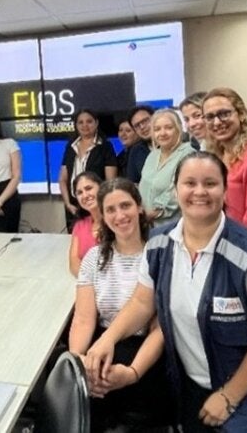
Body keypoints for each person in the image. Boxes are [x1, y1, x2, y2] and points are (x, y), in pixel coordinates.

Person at [86, 152, 247, 432]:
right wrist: (108, 338)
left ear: (224, 190)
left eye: (210, 183)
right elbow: (142, 302)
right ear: (176, 189)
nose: (199, 191)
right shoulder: (158, 243)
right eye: (190, 183)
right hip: (195, 382)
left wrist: (230, 395)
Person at [68, 177, 168, 431]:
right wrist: (80, 363)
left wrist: (132, 373)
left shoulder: (159, 256)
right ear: (101, 216)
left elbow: (159, 330)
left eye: (125, 206)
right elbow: (83, 319)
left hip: (144, 352)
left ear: (139, 207)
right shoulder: (93, 258)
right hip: (101, 348)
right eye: (110, 209)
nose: (119, 215)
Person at [202, 88, 247, 237]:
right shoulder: (215, 155)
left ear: (241, 114)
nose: (217, 122)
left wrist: (241, 250)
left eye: (224, 114)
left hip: (243, 242)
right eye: (210, 117)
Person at [58, 109, 117, 231]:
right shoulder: (70, 146)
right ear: (76, 125)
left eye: (89, 121)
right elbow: (63, 179)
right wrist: (68, 203)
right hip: (73, 207)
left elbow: (110, 182)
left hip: (97, 205)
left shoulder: (105, 146)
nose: (85, 125)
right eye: (80, 122)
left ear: (96, 123)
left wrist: (102, 205)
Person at [139, 109, 196, 226]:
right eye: (157, 129)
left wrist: (151, 214)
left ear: (178, 129)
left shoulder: (188, 154)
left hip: (173, 225)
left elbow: (177, 191)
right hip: (148, 226)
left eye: (168, 128)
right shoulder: (153, 155)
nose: (162, 133)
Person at [68, 171, 103, 277]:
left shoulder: (115, 221)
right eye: (79, 192)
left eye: (88, 188)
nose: (85, 195)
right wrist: (87, 282)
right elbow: (74, 260)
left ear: (101, 188)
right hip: (87, 285)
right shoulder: (80, 225)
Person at [125, 105, 154, 183]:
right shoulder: (135, 151)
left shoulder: (171, 142)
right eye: (137, 125)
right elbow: (133, 183)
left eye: (145, 121)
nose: (142, 127)